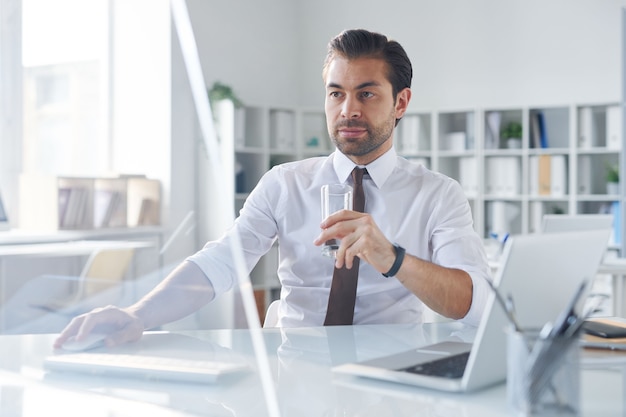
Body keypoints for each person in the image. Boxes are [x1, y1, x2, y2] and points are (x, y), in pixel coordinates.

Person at [54, 29, 491, 349]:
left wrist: (391, 258)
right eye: (336, 94)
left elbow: (470, 302)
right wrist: (137, 314)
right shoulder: (286, 183)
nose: (348, 109)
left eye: (367, 94)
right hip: (295, 366)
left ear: (400, 103)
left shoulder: (438, 195)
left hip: (393, 371)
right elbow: (221, 262)